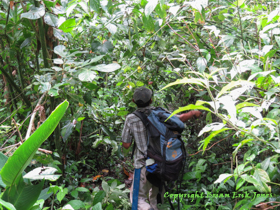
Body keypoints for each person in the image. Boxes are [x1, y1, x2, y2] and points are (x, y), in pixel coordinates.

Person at [122, 87, 201, 210]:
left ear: (133, 100)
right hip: (161, 162)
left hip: (142, 163)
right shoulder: (158, 113)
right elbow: (179, 118)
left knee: (137, 200)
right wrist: (192, 113)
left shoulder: (131, 118)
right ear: (151, 100)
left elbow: (126, 144)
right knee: (156, 197)